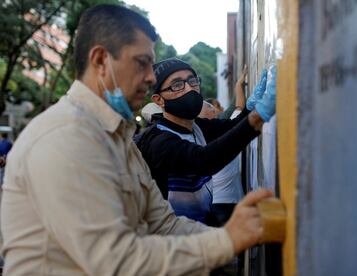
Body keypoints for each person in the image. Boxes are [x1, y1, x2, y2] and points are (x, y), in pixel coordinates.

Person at [0, 4, 275, 275]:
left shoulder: (119, 140)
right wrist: (227, 240)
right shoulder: (66, 138)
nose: (151, 77)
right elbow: (115, 261)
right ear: (100, 61)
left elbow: (164, 226)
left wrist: (234, 235)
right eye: (142, 63)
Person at [136, 58, 276, 225]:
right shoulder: (158, 141)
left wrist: (249, 108)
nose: (189, 89)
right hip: (169, 239)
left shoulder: (195, 126)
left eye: (192, 81)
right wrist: (258, 116)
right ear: (159, 100)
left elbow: (229, 127)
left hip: (197, 230)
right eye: (177, 84)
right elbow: (204, 160)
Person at [198, 65, 249, 227]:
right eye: (213, 109)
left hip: (214, 202)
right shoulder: (225, 133)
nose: (219, 111)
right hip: (228, 203)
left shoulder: (197, 138)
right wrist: (238, 85)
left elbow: (239, 108)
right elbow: (239, 109)